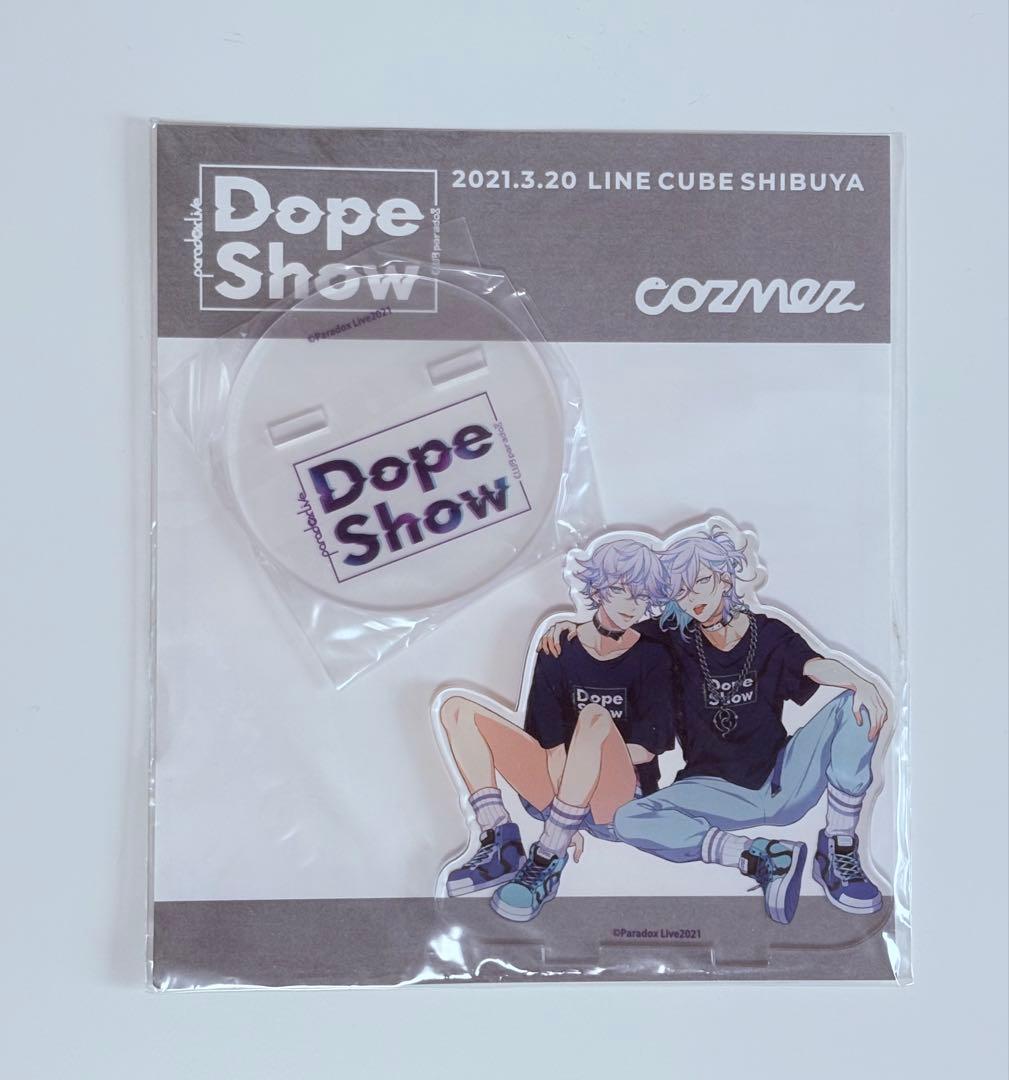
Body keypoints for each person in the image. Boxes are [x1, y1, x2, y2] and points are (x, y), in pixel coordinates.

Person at [540, 525, 888, 925]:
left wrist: (860, 682)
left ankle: (839, 848)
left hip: (781, 778)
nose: (694, 598)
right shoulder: (670, 636)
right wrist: (571, 629)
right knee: (628, 819)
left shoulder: (768, 632)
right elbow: (614, 630)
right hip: (710, 790)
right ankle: (760, 856)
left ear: (724, 577)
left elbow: (814, 666)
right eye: (682, 591)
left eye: (702, 582)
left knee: (855, 706)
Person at [438, 538, 675, 922]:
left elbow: (646, 748)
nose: (631, 604)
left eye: (641, 596)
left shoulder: (654, 655)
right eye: (620, 590)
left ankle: (549, 853)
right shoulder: (560, 644)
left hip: (616, 799)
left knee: (593, 720)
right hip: (556, 781)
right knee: (457, 711)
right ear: (598, 588)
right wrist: (566, 794)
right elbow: (548, 741)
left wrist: (586, 759)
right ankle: (499, 840)